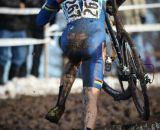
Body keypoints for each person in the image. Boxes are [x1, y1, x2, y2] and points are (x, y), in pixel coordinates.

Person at [36, 0, 125, 129]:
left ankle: (60, 104)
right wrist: (110, 5)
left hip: (70, 39)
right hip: (94, 39)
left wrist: (53, 4)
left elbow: (40, 21)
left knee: (74, 59)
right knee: (90, 98)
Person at [0, 0, 28, 85]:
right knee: (2, 57)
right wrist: (19, 5)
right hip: (4, 27)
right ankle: (1, 83)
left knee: (20, 57)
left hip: (20, 28)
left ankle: (12, 82)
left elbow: (30, 3)